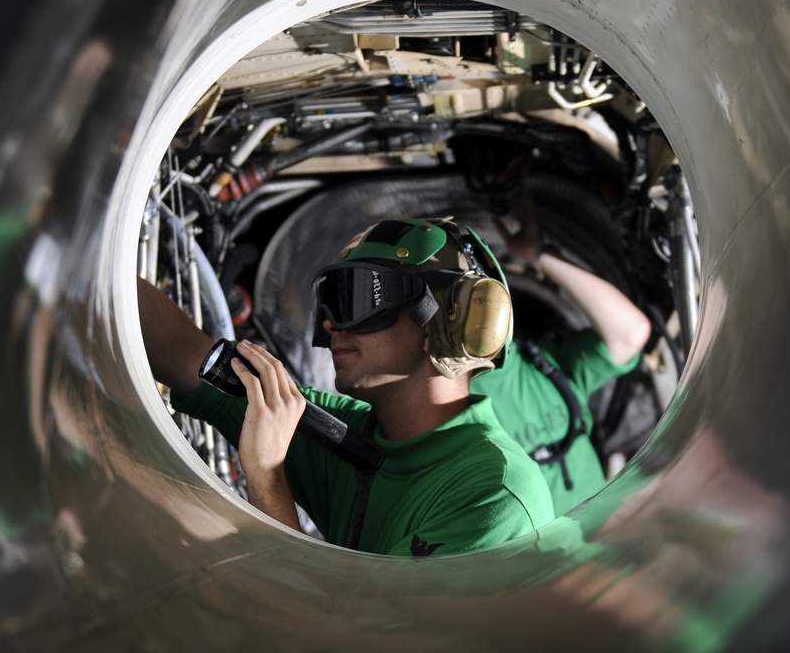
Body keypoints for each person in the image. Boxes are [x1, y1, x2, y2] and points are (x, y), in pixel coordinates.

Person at [138, 217, 554, 557]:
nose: (331, 323)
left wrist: (266, 476)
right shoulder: (342, 437)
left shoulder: (494, 496)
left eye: (360, 299)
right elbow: (186, 356)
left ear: (443, 324)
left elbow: (337, 636)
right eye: (332, 301)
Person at [471, 196, 652, 515]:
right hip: (542, 564)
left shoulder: (547, 365)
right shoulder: (426, 406)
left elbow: (629, 334)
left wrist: (540, 255)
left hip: (604, 548)